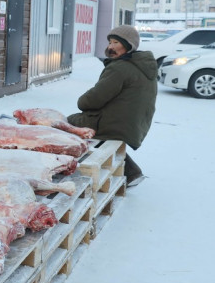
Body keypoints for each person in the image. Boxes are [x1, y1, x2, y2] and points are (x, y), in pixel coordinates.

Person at [67, 25, 158, 187]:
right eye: (110, 42)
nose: (111, 47)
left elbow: (93, 99)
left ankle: (65, 169)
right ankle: (132, 172)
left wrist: (83, 103)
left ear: (129, 45)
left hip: (119, 123)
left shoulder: (120, 68)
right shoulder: (143, 65)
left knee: (68, 123)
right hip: (134, 122)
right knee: (87, 126)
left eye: (116, 42)